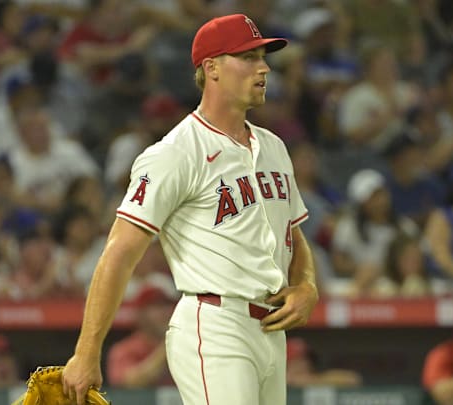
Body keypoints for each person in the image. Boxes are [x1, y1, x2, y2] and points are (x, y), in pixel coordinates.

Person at [62, 14, 318, 405]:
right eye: (248, 57)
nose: (264, 67)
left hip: (270, 330)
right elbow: (120, 252)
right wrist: (86, 351)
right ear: (211, 68)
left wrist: (307, 286)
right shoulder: (176, 153)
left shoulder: (274, 147)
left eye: (263, 56)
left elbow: (294, 236)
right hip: (215, 323)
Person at [106, 285, 177, 388]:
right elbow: (131, 384)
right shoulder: (124, 350)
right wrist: (167, 346)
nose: (165, 312)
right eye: (157, 307)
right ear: (141, 314)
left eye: (167, 306)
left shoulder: (185, 346)